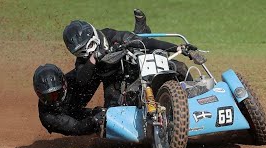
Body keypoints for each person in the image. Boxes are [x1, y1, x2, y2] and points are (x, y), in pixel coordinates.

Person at [33, 9, 157, 137]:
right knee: (111, 117)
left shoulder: (73, 79)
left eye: (55, 94)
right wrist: (95, 120)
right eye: (48, 97)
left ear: (63, 83)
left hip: (94, 77)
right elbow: (77, 128)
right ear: (39, 95)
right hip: (78, 117)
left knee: (125, 56)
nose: (54, 100)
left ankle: (141, 33)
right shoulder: (48, 117)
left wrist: (97, 57)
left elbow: (82, 77)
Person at [63, 9, 195, 107]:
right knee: (112, 111)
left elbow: (144, 43)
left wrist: (177, 48)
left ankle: (194, 99)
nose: (88, 52)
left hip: (132, 64)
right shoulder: (84, 59)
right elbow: (81, 80)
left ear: (94, 36)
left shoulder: (111, 36)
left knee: (179, 67)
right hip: (113, 79)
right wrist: (93, 59)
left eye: (90, 46)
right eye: (82, 52)